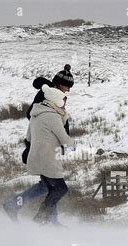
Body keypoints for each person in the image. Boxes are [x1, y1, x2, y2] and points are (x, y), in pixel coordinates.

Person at [3, 65, 74, 224]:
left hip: (47, 147)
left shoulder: (54, 95)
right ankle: (46, 219)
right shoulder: (46, 96)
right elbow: (33, 116)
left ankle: (15, 206)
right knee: (53, 187)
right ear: (59, 83)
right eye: (67, 86)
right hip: (44, 149)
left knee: (47, 186)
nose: (69, 90)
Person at [26, 85, 75, 225]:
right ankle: (41, 216)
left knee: (51, 189)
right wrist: (73, 145)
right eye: (63, 100)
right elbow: (63, 137)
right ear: (57, 101)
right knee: (61, 189)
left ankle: (46, 220)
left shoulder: (35, 114)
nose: (65, 103)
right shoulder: (53, 116)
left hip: (36, 158)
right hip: (48, 159)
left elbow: (28, 137)